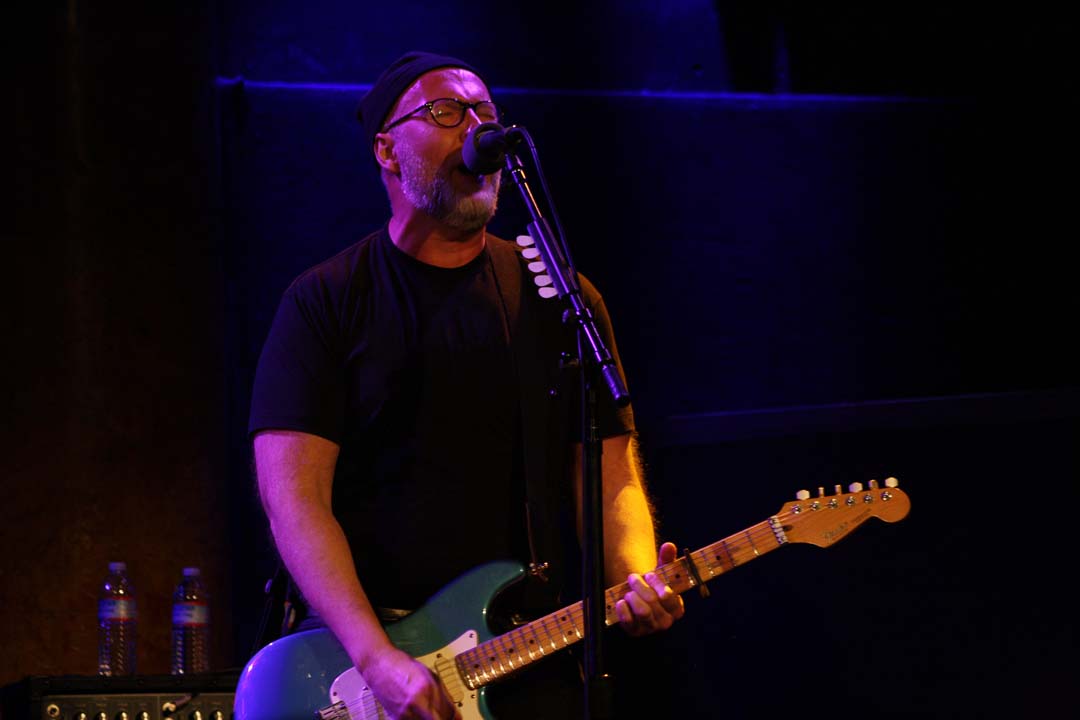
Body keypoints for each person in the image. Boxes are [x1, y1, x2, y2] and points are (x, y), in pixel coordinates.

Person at [248, 50, 684, 720]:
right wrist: (377, 657)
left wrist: (634, 579)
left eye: (484, 110)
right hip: (370, 663)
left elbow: (610, 466)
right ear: (387, 152)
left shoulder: (562, 300)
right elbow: (295, 504)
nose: (475, 126)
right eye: (446, 111)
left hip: (529, 653)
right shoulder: (326, 302)